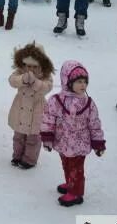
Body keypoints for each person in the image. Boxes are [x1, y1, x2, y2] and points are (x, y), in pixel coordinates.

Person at [41, 60, 106, 207]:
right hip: (62, 141)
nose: (83, 85)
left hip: (80, 144)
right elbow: (48, 119)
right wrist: (47, 138)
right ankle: (70, 183)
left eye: (85, 82)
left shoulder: (88, 103)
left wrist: (98, 143)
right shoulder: (56, 101)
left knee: (76, 168)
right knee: (66, 165)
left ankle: (76, 192)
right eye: (78, 82)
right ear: (67, 82)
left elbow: (94, 124)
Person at [7, 42, 54, 169]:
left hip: (36, 111)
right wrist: (22, 79)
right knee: (18, 136)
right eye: (28, 65)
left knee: (33, 139)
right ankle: (17, 155)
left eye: (34, 66)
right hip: (20, 109)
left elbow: (47, 87)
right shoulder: (20, 72)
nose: (30, 69)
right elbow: (12, 80)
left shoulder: (45, 75)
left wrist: (35, 82)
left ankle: (29, 159)